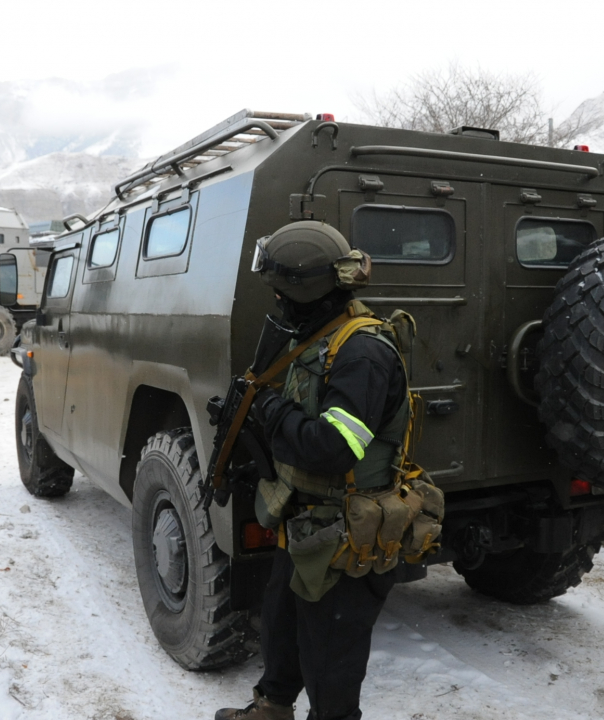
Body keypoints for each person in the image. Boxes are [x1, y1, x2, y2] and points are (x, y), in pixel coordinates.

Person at [215, 221, 411, 720]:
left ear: (306, 292)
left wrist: (272, 411)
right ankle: (272, 708)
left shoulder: (361, 352)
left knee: (331, 664)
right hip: (304, 525)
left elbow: (333, 448)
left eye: (281, 292)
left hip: (344, 537)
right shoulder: (319, 337)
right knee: (281, 630)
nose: (277, 301)